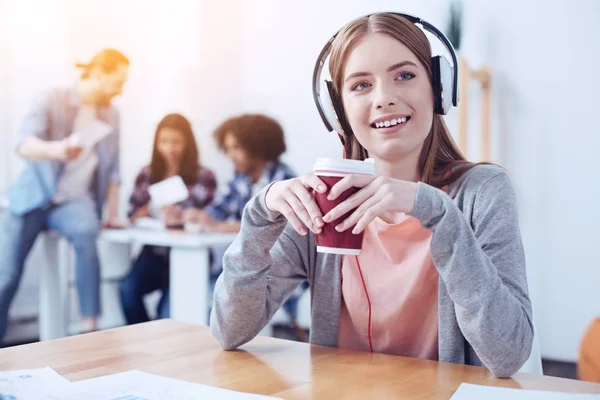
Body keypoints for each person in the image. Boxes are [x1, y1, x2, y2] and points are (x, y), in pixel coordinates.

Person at [210, 13, 534, 377]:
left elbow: (509, 354)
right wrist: (259, 216)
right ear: (339, 111)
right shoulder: (325, 200)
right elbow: (229, 331)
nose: (384, 98)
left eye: (405, 76)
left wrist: (437, 213)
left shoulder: (482, 192)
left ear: (437, 88)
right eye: (361, 85)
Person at [0, 48, 129, 341]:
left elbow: (113, 168)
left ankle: (90, 333)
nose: (120, 91)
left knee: (87, 235)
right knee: (6, 276)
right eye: (117, 82)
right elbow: (24, 144)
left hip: (73, 201)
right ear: (98, 73)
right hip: (34, 196)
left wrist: (112, 213)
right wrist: (57, 150)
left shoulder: (112, 114)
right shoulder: (51, 98)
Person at [186, 114, 307, 333]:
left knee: (212, 314)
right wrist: (195, 215)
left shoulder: (284, 179)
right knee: (197, 299)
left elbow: (283, 229)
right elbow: (216, 212)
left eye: (236, 148)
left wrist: (226, 226)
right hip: (242, 266)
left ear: (257, 147)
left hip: (275, 271)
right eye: (228, 148)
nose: (231, 155)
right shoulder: (239, 178)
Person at [119, 113, 216, 324]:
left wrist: (184, 216)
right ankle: (143, 339)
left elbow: (212, 216)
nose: (170, 148)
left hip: (188, 254)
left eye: (176, 142)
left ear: (187, 143)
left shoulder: (204, 176)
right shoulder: (146, 174)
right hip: (154, 255)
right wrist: (143, 212)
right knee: (127, 288)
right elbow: (131, 214)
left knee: (168, 312)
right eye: (163, 141)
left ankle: (159, 345)